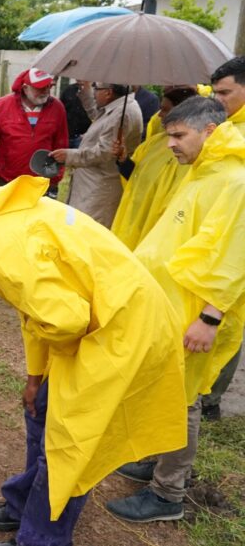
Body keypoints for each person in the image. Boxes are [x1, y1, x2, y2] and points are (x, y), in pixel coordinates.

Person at [0, 173, 186, 546]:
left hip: (121, 330)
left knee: (69, 443)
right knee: (40, 408)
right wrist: (36, 376)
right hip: (103, 314)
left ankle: (40, 538)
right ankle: (24, 504)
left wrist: (59, 370)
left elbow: (64, 320)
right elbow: (35, 310)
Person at [106, 96, 245, 523]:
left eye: (179, 136)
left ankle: (168, 493)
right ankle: (156, 457)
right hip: (170, 306)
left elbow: (234, 257)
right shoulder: (204, 171)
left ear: (210, 131)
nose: (171, 144)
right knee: (162, 390)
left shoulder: (234, 181)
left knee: (183, 400)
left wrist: (209, 318)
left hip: (194, 314)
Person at [201, 56, 245, 419]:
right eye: (214, 93)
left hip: (236, 243)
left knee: (228, 320)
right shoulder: (227, 127)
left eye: (225, 93)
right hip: (215, 235)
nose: (218, 100)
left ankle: (210, 399)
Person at [109, 86, 197, 250]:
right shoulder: (153, 143)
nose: (160, 115)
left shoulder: (192, 153)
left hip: (160, 228)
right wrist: (123, 159)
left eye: (165, 110)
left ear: (182, 112)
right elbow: (134, 177)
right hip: (135, 219)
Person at [51, 82, 142, 228]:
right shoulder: (117, 107)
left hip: (100, 187)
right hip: (91, 183)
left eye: (96, 88)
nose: (94, 92)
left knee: (87, 229)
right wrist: (86, 90)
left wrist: (69, 156)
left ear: (108, 93)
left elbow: (104, 152)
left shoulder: (123, 113)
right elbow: (97, 115)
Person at [0, 68, 68, 198]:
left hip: (42, 181)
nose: (45, 91)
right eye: (40, 88)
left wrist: (56, 177)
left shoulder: (57, 108)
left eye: (48, 87)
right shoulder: (2, 106)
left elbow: (61, 144)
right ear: (25, 88)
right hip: (7, 180)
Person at [60, 81, 92, 148]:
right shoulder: (68, 90)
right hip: (68, 135)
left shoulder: (94, 91)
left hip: (84, 137)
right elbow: (60, 110)